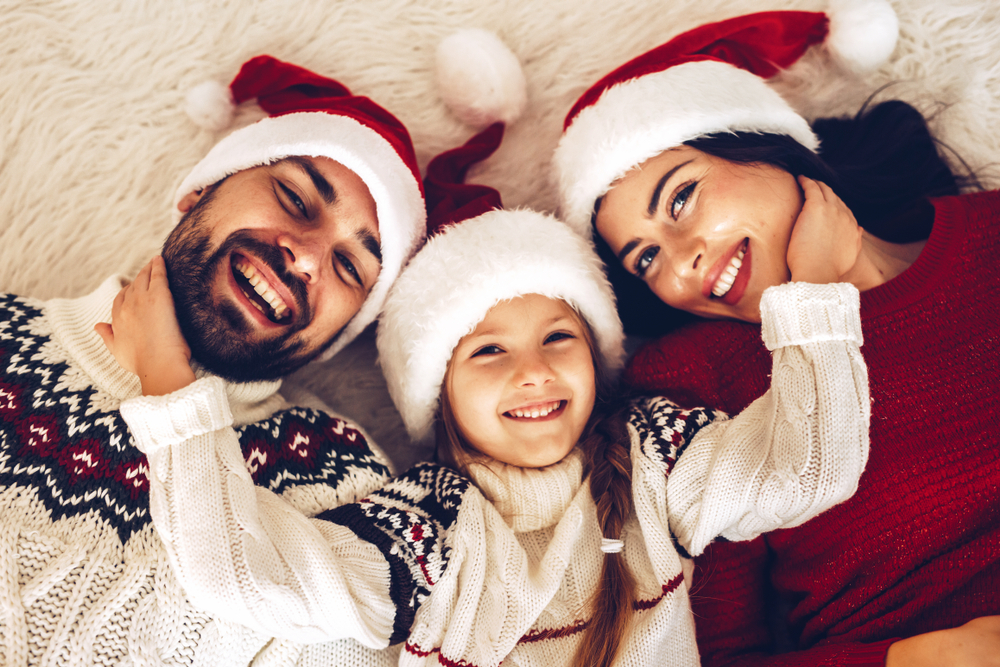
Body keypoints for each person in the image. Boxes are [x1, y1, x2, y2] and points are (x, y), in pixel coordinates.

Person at [114, 121, 870, 667]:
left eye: (559, 337)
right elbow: (243, 573)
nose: (532, 372)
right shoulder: (425, 530)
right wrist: (171, 398)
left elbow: (808, 470)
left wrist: (813, 299)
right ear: (438, 396)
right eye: (488, 352)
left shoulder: (654, 459)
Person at [552, 4, 1000, 666]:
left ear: (766, 145)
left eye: (680, 200)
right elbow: (715, 655)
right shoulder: (693, 383)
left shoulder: (986, 236)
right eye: (645, 260)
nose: (680, 266)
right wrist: (927, 656)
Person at [0, 55, 426, 665]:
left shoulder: (335, 475)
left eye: (350, 268)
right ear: (200, 191)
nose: (305, 260)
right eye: (294, 199)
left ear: (340, 333)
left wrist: (170, 393)